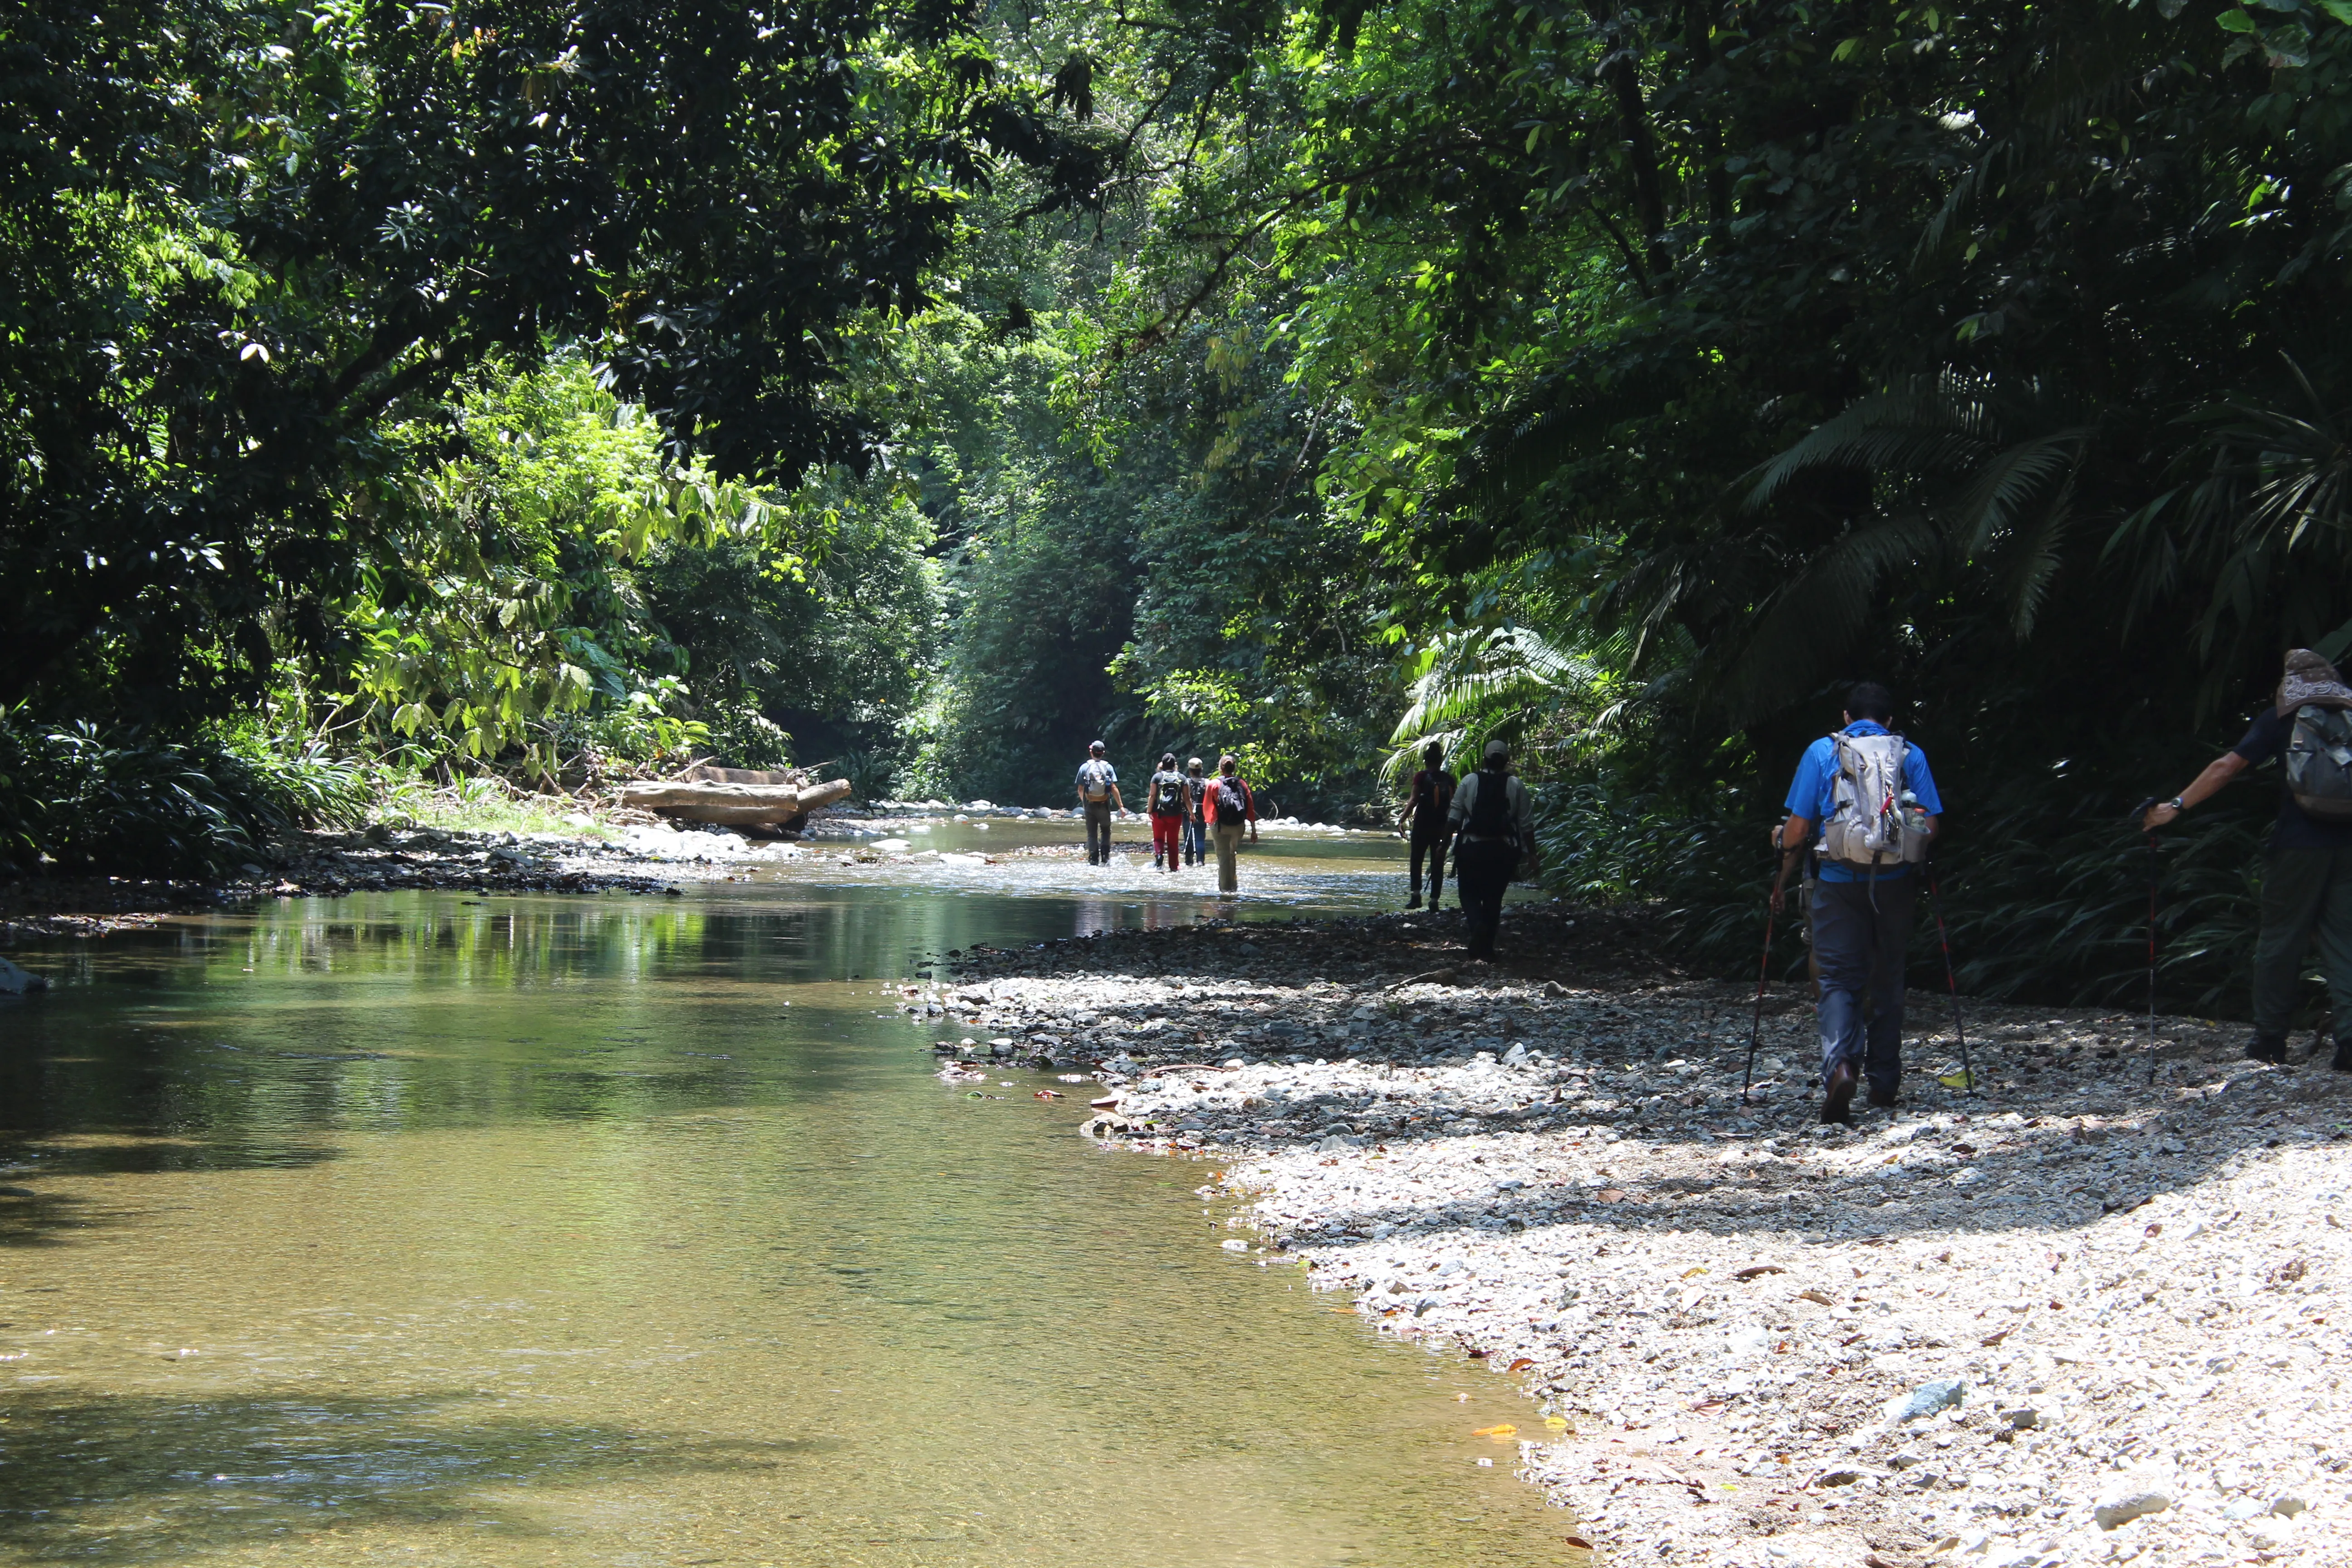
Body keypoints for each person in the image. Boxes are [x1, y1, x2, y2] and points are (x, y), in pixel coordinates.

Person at [2142, 649, 2352, 1068]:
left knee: (2281, 938)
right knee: (2345, 942)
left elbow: (2226, 767)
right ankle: (2350, 1046)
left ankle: (2270, 1039)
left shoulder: (2283, 716)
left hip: (2298, 845)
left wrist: (2176, 806)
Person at [1773, 681, 1943, 1123]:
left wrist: (1781, 851)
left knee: (1836, 980)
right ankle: (1885, 1084)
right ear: (1889, 722)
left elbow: (1797, 831)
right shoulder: (1911, 754)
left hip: (1836, 880)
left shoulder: (1821, 752)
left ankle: (1841, 1067)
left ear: (1846, 718)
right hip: (1896, 883)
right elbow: (1929, 826)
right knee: (1888, 977)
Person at [1447, 739, 1534, 959]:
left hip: (1471, 848)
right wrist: (1532, 855)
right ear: (1506, 761)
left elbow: (1454, 817)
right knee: (1494, 898)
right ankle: (1487, 949)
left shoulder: (1469, 781)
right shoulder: (1516, 785)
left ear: (1484, 759)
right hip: (1503, 850)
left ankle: (1477, 925)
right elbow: (1525, 824)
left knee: (1468, 894)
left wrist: (1442, 847)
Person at [1399, 740, 1456, 910]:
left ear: (1426, 761)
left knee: (1416, 860)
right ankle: (1434, 901)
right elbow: (1454, 805)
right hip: (1441, 826)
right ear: (1440, 761)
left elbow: (1414, 800)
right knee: (1437, 861)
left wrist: (1402, 820)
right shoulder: (1449, 779)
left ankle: (1416, 897)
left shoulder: (1421, 777)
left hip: (1422, 825)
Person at [1200, 753, 1259, 893]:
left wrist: (1210, 822)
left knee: (1223, 857)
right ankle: (1234, 886)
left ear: (1221, 768)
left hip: (1220, 825)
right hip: (1238, 826)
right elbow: (1250, 807)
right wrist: (1253, 830)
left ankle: (1225, 890)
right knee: (1232, 854)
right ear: (1234, 768)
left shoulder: (1214, 784)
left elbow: (1207, 807)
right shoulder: (1242, 784)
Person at [1074, 741, 1126, 865]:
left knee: (1092, 833)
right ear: (1103, 753)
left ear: (1091, 752)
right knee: (1106, 830)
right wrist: (1121, 807)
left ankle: (1094, 858)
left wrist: (1085, 802)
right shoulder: (1108, 767)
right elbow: (1113, 788)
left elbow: (1080, 789)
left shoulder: (1085, 767)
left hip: (1090, 804)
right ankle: (1106, 857)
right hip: (1104, 803)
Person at [1146, 751, 1188, 872]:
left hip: (1158, 813)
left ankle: (1159, 857)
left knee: (1158, 839)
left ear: (1162, 764)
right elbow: (1187, 798)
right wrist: (1191, 813)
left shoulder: (1157, 777)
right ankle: (1174, 867)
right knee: (1173, 840)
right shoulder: (1181, 778)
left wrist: (1149, 811)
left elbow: (1153, 795)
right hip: (1176, 813)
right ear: (1175, 764)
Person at [1181, 757, 1210, 867]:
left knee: (1188, 838)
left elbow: (1183, 799)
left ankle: (1189, 861)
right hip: (1202, 814)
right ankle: (1201, 861)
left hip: (1188, 814)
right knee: (1201, 838)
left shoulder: (1186, 782)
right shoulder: (1207, 782)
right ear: (1201, 769)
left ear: (1190, 770)